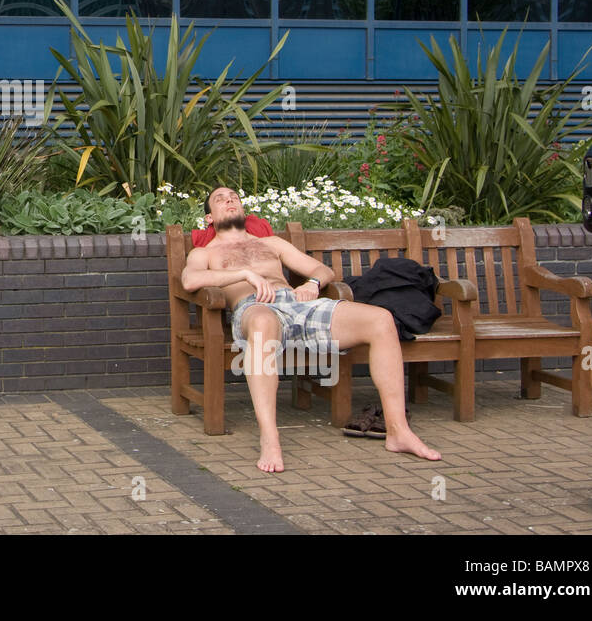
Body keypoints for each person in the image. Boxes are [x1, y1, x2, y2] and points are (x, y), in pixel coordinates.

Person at [181, 186, 440, 474]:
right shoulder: (205, 252)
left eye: (234, 198)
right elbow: (190, 281)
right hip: (255, 309)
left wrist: (312, 284)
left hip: (298, 305)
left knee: (381, 320)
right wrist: (244, 274)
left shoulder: (272, 244)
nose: (229, 200)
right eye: (220, 199)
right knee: (264, 322)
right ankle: (270, 438)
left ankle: (398, 431)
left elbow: (322, 270)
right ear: (208, 218)